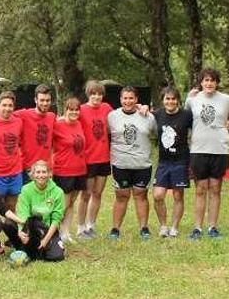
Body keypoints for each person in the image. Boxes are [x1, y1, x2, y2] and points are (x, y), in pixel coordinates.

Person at [185, 68, 229, 240]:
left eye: (212, 80)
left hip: (219, 149)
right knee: (200, 189)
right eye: (206, 80)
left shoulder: (227, 100)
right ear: (201, 82)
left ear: (217, 82)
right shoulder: (192, 100)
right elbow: (185, 120)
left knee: (215, 189)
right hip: (199, 149)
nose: (209, 83)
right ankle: (197, 228)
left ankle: (213, 227)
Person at [108, 87, 157, 240]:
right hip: (121, 163)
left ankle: (144, 228)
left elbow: (155, 134)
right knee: (121, 196)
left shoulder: (147, 117)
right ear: (120, 99)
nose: (128, 101)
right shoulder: (112, 116)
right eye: (125, 98)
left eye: (131, 98)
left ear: (136, 100)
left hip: (142, 163)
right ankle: (115, 229)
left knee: (141, 195)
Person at [152, 87, 192, 238]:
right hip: (163, 162)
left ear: (178, 100)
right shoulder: (157, 114)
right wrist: (141, 107)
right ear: (163, 101)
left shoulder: (186, 115)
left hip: (181, 161)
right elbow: (142, 114)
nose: (170, 102)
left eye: (173, 99)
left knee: (177, 195)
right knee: (158, 195)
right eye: (167, 99)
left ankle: (174, 227)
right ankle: (163, 226)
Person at [77, 80, 113, 239]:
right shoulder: (81, 110)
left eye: (99, 94)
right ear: (88, 94)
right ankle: (80, 227)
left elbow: (122, 116)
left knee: (98, 193)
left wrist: (142, 107)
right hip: (88, 159)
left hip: (104, 158)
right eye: (93, 93)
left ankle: (91, 225)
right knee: (85, 194)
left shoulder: (107, 108)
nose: (97, 97)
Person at [9, 161, 65, 261]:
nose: (41, 175)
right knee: (8, 224)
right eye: (38, 172)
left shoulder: (58, 192)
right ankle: (21, 247)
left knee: (56, 257)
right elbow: (23, 213)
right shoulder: (26, 189)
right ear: (33, 174)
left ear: (49, 174)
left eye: (44, 172)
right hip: (30, 226)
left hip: (47, 228)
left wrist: (46, 240)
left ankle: (32, 249)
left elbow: (56, 219)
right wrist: (21, 231)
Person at [52, 97, 87, 243]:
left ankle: (65, 233)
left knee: (72, 202)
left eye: (76, 109)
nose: (74, 112)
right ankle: (53, 233)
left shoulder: (79, 123)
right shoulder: (57, 125)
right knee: (63, 205)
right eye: (70, 109)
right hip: (63, 170)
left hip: (79, 169)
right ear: (65, 110)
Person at [0, 91, 24, 212]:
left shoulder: (19, 121)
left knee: (11, 207)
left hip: (15, 172)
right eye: (4, 105)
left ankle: (11, 231)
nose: (7, 108)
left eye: (10, 105)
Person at [14, 84, 56, 182]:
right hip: (29, 169)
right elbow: (4, 113)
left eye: (47, 100)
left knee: (46, 197)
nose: (45, 103)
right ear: (35, 100)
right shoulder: (24, 115)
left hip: (46, 169)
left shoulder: (52, 117)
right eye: (42, 100)